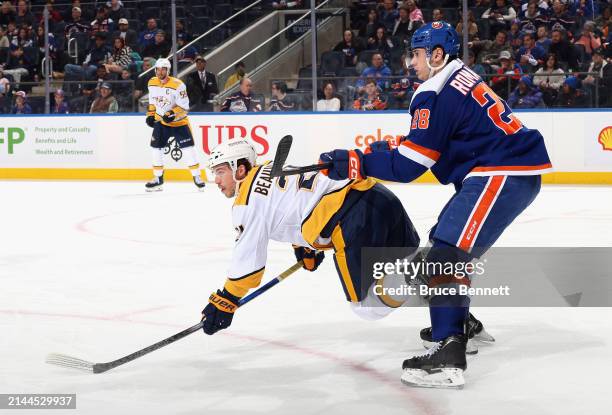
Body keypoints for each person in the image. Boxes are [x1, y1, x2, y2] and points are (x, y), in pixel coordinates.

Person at [319, 22, 551, 388]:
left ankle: (449, 352)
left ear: (437, 55)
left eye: (415, 54)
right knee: (446, 243)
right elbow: (440, 141)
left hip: (501, 172)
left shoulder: (433, 90)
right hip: (507, 171)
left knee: (445, 252)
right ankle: (462, 325)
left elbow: (411, 165)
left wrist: (356, 162)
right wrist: (391, 148)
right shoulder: (460, 77)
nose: (411, 63)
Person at [201, 139, 420, 343]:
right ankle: (448, 327)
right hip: (380, 197)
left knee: (367, 306)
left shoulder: (246, 203)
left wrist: (226, 300)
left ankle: (420, 276)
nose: (216, 180)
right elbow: (296, 202)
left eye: (220, 171)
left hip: (355, 217)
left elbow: (248, 265)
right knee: (411, 262)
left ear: (240, 169)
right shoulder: (268, 170)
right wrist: (305, 246)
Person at [145, 58, 205, 192]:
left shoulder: (178, 85)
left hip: (179, 123)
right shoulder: (152, 82)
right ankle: (158, 178)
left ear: (168, 70)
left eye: (163, 69)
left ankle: (196, 176)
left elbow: (184, 107)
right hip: (161, 121)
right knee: (155, 148)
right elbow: (152, 102)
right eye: (158, 69)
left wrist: (172, 113)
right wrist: (150, 114)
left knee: (188, 148)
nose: (160, 72)